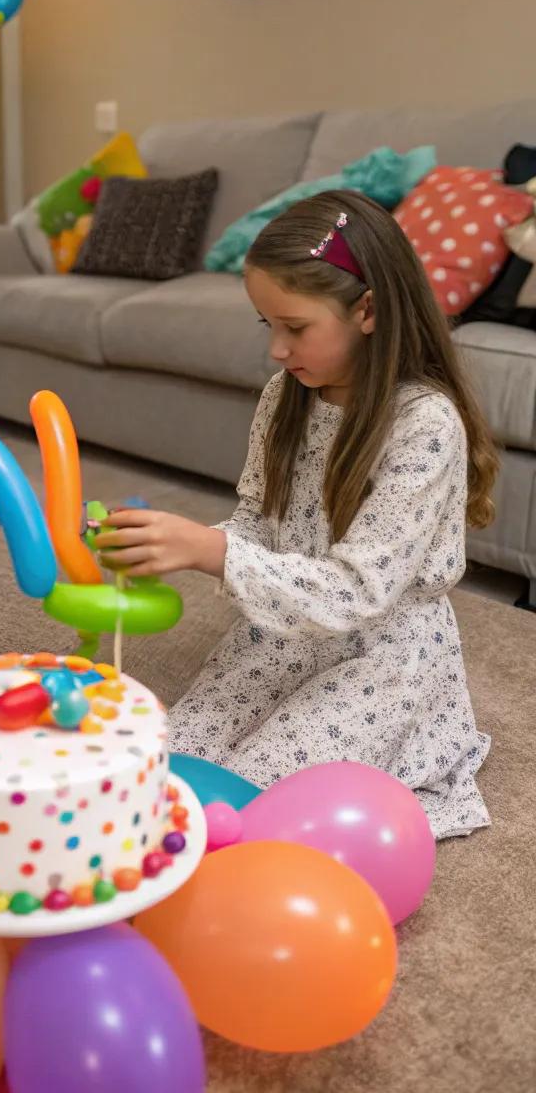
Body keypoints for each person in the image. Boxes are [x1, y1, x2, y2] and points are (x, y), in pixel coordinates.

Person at [96, 191, 496, 838]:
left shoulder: (424, 424)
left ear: (367, 310)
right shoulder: (289, 393)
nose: (278, 350)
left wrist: (209, 551)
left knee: (247, 814)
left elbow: (360, 592)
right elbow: (257, 520)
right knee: (166, 773)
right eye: (268, 326)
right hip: (283, 636)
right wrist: (172, 544)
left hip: (382, 655)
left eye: (295, 327)